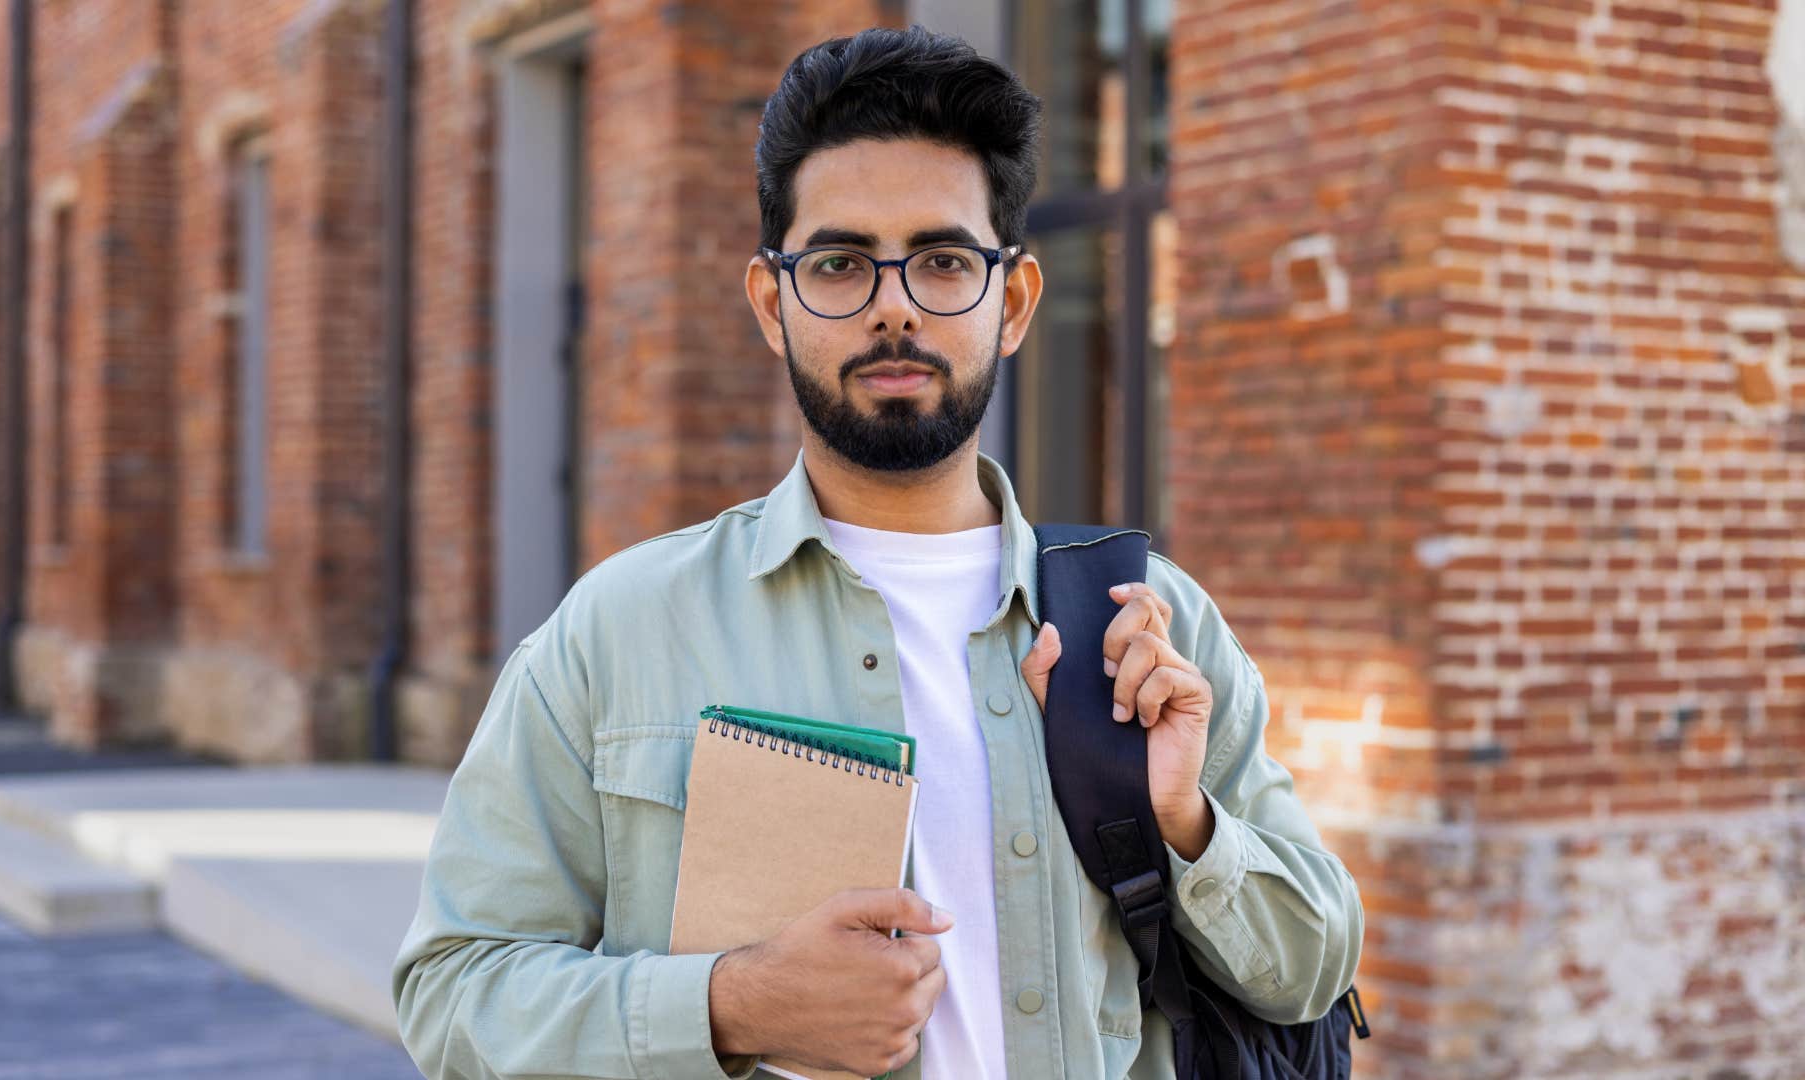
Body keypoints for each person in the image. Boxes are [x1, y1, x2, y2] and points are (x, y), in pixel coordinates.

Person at [392, 24, 1362, 1080]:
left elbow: (1311, 971)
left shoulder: (1142, 620)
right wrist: (729, 1006)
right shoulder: (623, 628)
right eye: (843, 262)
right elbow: (451, 994)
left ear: (1015, 301)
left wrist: (1182, 820)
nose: (894, 305)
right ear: (775, 303)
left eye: (944, 261)